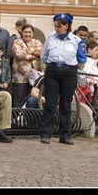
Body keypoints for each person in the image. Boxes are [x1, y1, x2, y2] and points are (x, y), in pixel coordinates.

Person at [40, 13, 87, 145]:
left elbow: (82, 60)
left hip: (69, 72)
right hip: (52, 71)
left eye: (59, 26)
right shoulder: (50, 39)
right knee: (50, 103)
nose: (56, 29)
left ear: (67, 26)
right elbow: (44, 56)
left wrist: (71, 67)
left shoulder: (77, 41)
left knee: (66, 104)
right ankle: (46, 133)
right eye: (55, 26)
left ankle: (65, 135)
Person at [11, 24, 43, 107]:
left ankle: (28, 119)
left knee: (31, 100)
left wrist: (25, 51)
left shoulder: (37, 42)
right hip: (20, 77)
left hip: (34, 77)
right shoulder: (17, 42)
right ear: (22, 32)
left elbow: (40, 53)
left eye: (30, 32)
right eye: (25, 32)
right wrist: (33, 54)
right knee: (18, 101)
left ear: (33, 33)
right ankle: (16, 119)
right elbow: (18, 54)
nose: (27, 34)